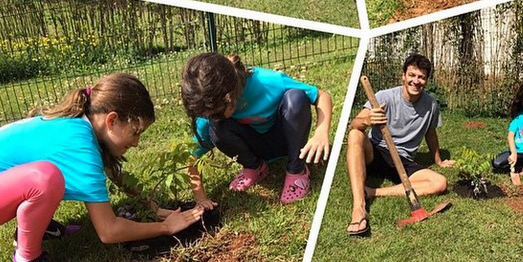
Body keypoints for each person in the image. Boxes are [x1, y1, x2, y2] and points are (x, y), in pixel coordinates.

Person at [0, 73, 202, 262]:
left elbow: (115, 174)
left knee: (51, 173)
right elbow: (109, 231)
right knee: (45, 179)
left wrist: (153, 208)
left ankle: (39, 226)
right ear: (112, 120)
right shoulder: (81, 147)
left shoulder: (79, 124)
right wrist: (165, 227)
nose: (137, 143)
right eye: (135, 133)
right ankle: (26, 256)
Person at [180, 52, 332, 206]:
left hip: (287, 139)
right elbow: (191, 159)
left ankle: (296, 170)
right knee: (217, 128)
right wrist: (200, 198)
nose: (211, 117)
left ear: (229, 97)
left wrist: (321, 132)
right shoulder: (212, 111)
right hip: (255, 148)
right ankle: (255, 167)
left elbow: (322, 96)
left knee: (296, 98)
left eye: (214, 114)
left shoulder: (268, 81)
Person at [345, 54, 453, 237]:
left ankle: (373, 191)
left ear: (426, 81)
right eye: (412, 75)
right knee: (355, 134)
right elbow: (354, 124)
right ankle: (359, 208)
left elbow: (431, 133)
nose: (416, 81)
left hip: (403, 161)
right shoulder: (383, 96)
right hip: (376, 151)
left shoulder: (431, 105)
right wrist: (368, 119)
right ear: (403, 76)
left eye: (421, 77)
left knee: (440, 182)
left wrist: (439, 160)